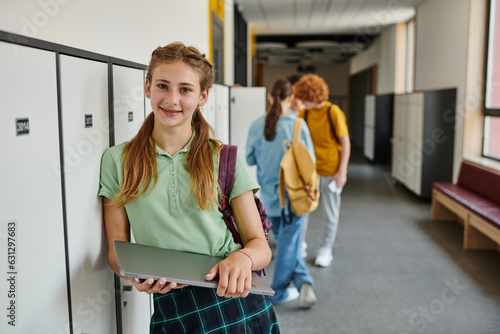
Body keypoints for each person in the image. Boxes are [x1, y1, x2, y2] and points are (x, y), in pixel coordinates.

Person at [99, 42, 279, 333]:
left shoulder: (224, 158)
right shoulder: (117, 161)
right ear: (147, 88)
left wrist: (241, 258)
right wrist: (136, 276)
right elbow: (115, 250)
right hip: (172, 307)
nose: (172, 99)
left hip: (234, 299)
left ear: (202, 96)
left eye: (185, 89)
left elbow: (260, 246)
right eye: (162, 86)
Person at [246, 78, 317, 308]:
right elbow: (310, 163)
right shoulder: (298, 126)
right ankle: (277, 294)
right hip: (294, 199)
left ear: (270, 96)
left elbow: (249, 159)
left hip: (269, 200)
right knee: (289, 245)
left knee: (289, 243)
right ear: (291, 98)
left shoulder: (257, 125)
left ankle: (304, 281)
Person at [293, 74, 351, 268]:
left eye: (304, 98)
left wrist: (342, 172)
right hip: (310, 172)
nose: (302, 102)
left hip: (331, 171)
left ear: (313, 96)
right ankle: (299, 244)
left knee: (330, 213)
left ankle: (326, 249)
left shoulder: (332, 112)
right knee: (303, 210)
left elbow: (345, 142)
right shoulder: (305, 114)